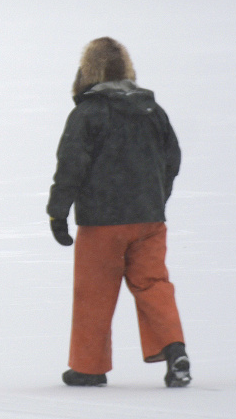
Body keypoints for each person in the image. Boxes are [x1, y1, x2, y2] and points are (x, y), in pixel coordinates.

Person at [47, 37, 190, 388]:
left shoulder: (87, 113)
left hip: (102, 222)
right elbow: (172, 158)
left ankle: (89, 367)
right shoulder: (152, 110)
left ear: (87, 71)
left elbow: (70, 166)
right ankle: (175, 352)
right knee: (154, 284)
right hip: (150, 218)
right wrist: (158, 198)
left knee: (93, 292)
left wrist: (57, 212)